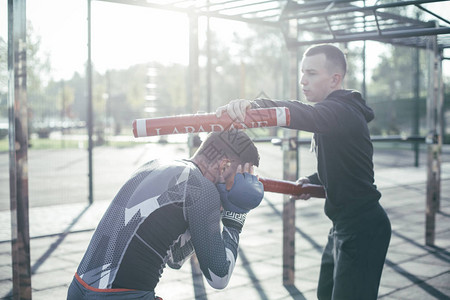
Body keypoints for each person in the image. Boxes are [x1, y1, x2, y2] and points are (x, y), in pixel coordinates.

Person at [216, 44, 391, 300]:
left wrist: (256, 107)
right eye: (302, 73)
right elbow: (345, 168)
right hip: (343, 224)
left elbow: (300, 112)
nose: (302, 80)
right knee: (325, 295)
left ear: (335, 79)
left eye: (311, 73)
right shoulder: (333, 113)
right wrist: (310, 182)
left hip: (363, 227)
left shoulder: (341, 111)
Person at [67, 130, 264, 300]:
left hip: (78, 288)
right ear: (223, 166)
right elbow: (219, 277)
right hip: (122, 295)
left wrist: (218, 210)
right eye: (240, 178)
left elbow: (175, 259)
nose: (236, 187)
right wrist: (235, 216)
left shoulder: (155, 164)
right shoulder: (202, 189)